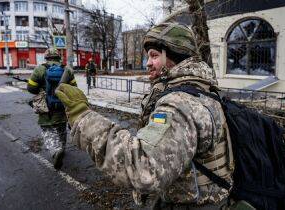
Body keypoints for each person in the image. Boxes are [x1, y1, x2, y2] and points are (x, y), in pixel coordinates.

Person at [56, 23, 237, 209]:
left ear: (174, 56)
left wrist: (83, 117)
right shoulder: (201, 90)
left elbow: (144, 168)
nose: (148, 63)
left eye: (154, 55)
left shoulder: (179, 104)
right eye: (148, 56)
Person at [27, 48, 78, 169]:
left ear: (46, 57)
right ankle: (62, 148)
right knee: (61, 127)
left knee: (48, 129)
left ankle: (56, 151)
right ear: (58, 57)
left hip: (47, 107)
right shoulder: (67, 70)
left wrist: (42, 88)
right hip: (63, 106)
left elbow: (31, 88)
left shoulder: (39, 69)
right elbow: (74, 88)